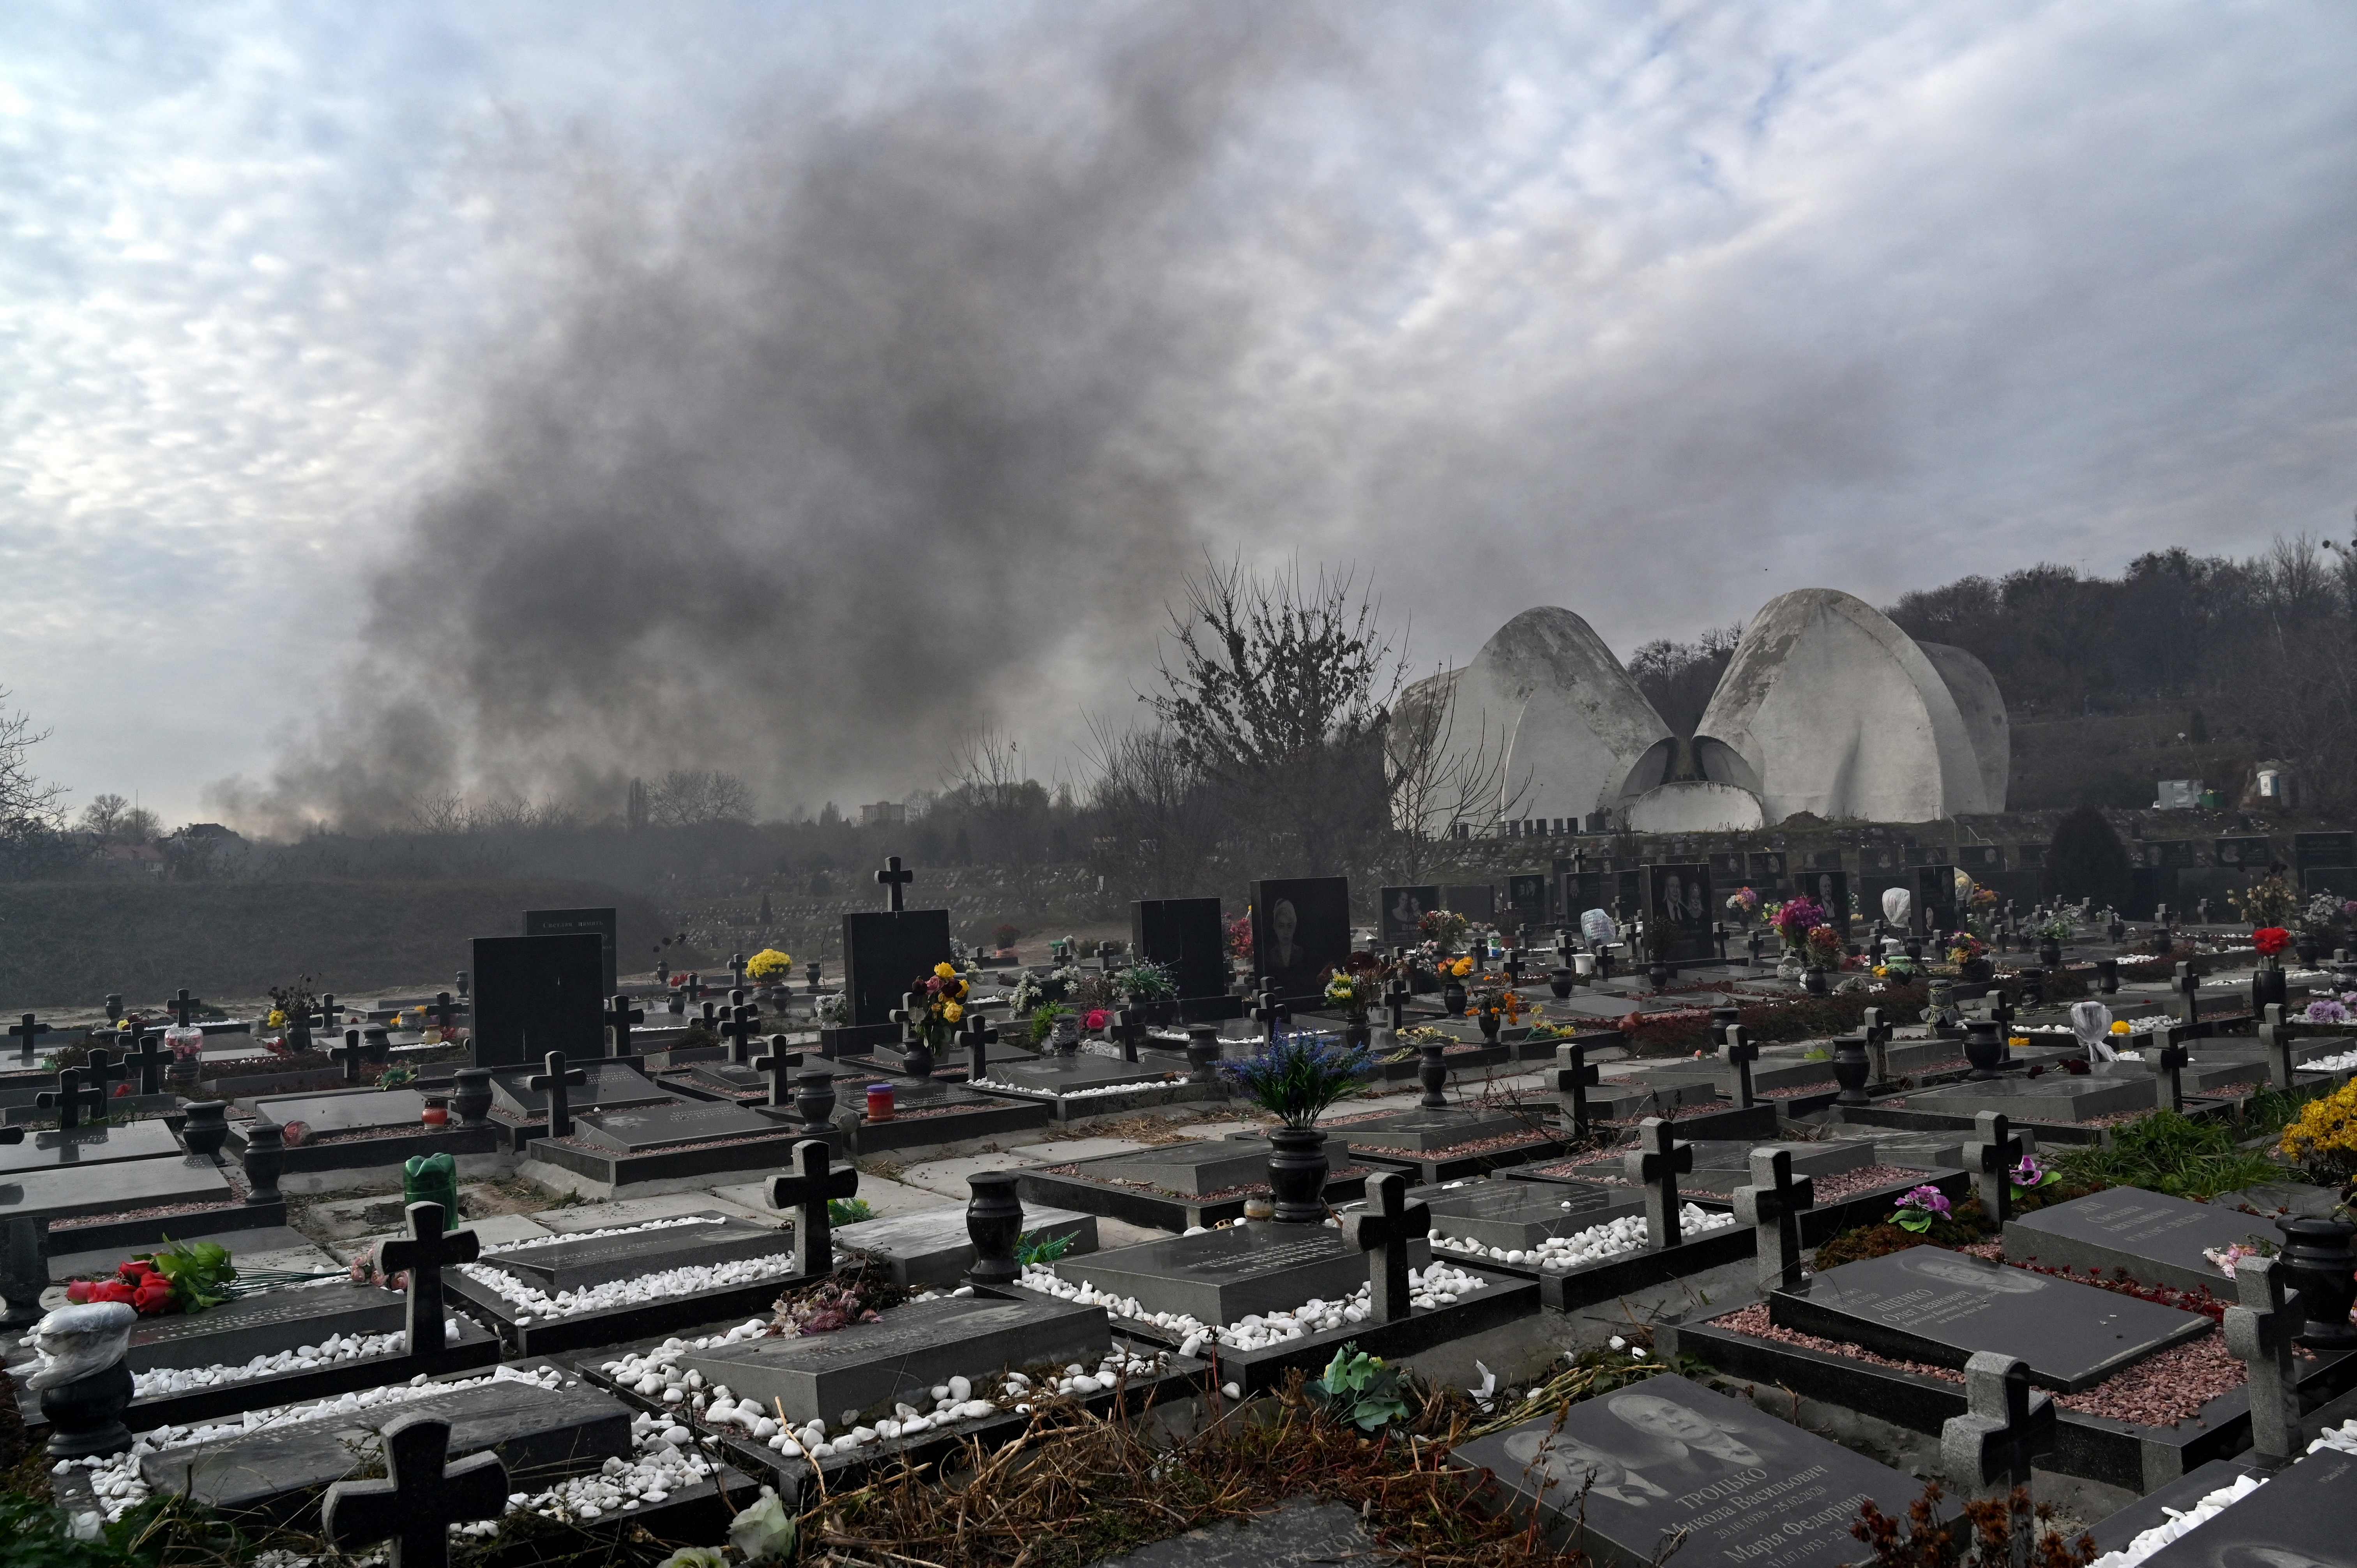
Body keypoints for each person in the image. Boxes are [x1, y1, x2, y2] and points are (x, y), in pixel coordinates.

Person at [1500, 1429, 1670, 1509]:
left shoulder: (1675, 1472)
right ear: (1542, 1474)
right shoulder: (1586, 1513)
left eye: (1568, 1450)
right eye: (1545, 1461)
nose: (1571, 1462)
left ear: (1592, 1447)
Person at [1605, 1391, 1767, 1469]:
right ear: (1648, 1431)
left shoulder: (1767, 1435)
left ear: (1692, 1411)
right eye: (1651, 1420)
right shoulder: (1689, 1472)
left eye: (1670, 1411)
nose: (1673, 1421)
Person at [1894, 1251, 2046, 1296]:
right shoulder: (2001, 1292)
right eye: (1946, 1276)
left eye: (1953, 1269)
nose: (1962, 1276)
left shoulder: (2026, 1278)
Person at [1268, 898, 1301, 973]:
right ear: (1275, 927)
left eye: (1289, 926)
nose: (1286, 932)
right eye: (1281, 926)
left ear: (1294, 928)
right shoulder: (1270, 956)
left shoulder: (1301, 953)